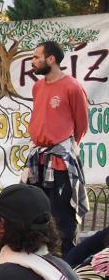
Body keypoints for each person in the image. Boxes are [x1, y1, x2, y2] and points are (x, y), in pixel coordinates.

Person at [24, 40, 91, 256]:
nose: (32, 61)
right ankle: (41, 259)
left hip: (61, 160)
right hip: (38, 159)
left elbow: (81, 124)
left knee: (62, 215)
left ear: (50, 59)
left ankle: (67, 264)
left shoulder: (72, 86)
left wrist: (64, 147)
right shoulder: (37, 87)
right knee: (37, 210)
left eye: (36, 57)